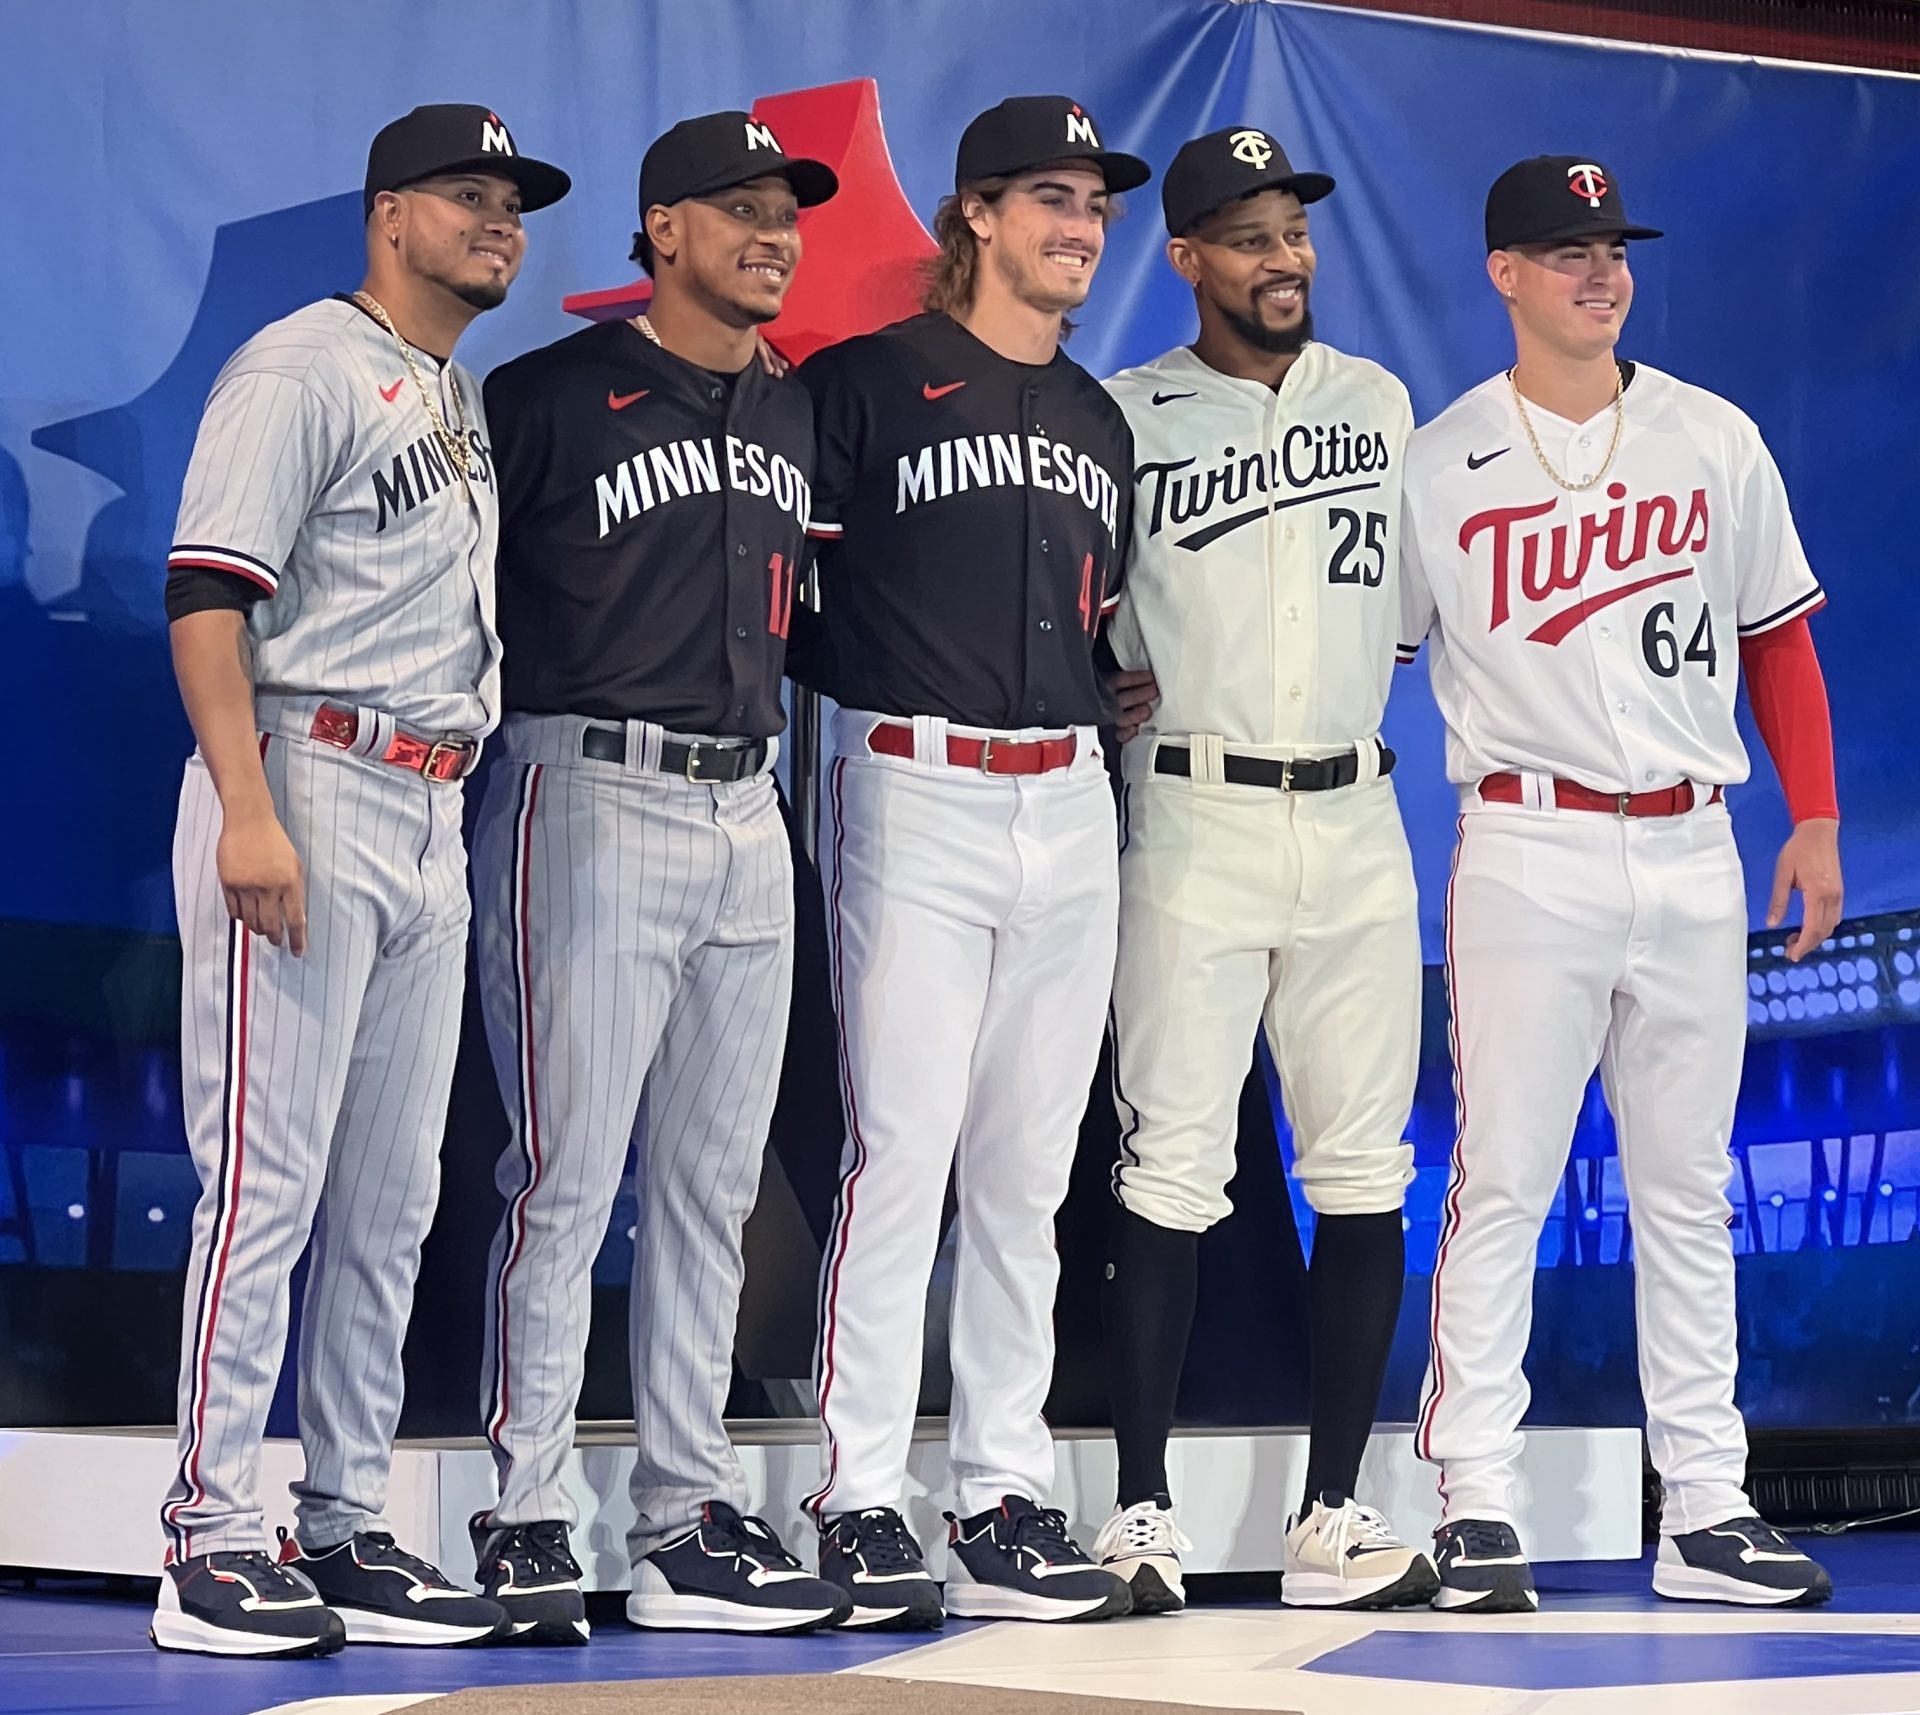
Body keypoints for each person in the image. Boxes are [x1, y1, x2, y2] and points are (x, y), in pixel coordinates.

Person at [1398, 155, 1841, 1612]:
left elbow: (1777, 637)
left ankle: (1707, 1508)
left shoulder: (1712, 435)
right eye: (1563, 247)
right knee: (1506, 1181)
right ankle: (1474, 1505)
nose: (1599, 269)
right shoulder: (1440, 457)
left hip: (1696, 840)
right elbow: (1365, 653)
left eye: (1612, 247)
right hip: (1526, 841)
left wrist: (1816, 818)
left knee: (1690, 1190)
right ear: (1502, 274)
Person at [154, 104, 568, 1657]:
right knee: (268, 1181)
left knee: (392, 1199)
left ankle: (337, 1521)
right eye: (469, 196)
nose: (500, 222)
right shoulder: (300, 365)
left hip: (431, 802)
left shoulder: (449, 390)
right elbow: (207, 597)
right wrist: (251, 814)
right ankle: (208, 1534)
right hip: (305, 777)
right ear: (389, 211)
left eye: (513, 203)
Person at [469, 110, 851, 1642]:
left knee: (711, 1192)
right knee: (562, 1180)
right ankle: (523, 1514)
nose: (771, 231)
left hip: (746, 812)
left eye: (788, 211)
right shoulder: (546, 395)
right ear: (662, 230)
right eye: (738, 206)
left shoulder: (797, 414)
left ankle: (686, 1519)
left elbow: (812, 625)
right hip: (588, 787)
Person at [792, 95, 1146, 1629]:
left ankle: (1001, 1491)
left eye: (1095, 203)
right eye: (1050, 199)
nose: (1079, 225)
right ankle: (860, 1496)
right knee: (905, 1151)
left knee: (1028, 1171)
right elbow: (781, 600)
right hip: (912, 781)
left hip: (1069, 801)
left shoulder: (1099, 418)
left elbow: (1101, 622)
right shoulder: (862, 386)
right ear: (977, 216)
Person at [1092, 125, 1437, 1615]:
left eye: (1292, 229)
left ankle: (1335, 1514)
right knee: (1173, 1164)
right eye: (1246, 234)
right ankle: (1143, 1508)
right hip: (1194, 811)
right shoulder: (1125, 415)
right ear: (1187, 259)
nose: (1281, 255)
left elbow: (1405, 618)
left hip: (1355, 813)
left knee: (1363, 1168)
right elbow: (1094, 623)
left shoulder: (1380, 400)